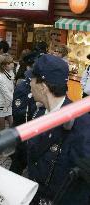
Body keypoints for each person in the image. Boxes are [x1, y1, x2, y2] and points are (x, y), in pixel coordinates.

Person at [28, 54, 90, 204]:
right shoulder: (39, 112)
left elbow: (82, 187)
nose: (29, 83)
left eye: (32, 79)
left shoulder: (81, 125)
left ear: (43, 87)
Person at [0, 54, 14, 131]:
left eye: (12, 62)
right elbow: (6, 93)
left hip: (9, 102)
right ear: (3, 66)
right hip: (0, 103)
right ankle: (1, 142)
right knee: (2, 128)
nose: (12, 64)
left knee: (13, 124)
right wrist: (16, 101)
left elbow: (12, 89)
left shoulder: (11, 72)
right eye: (9, 63)